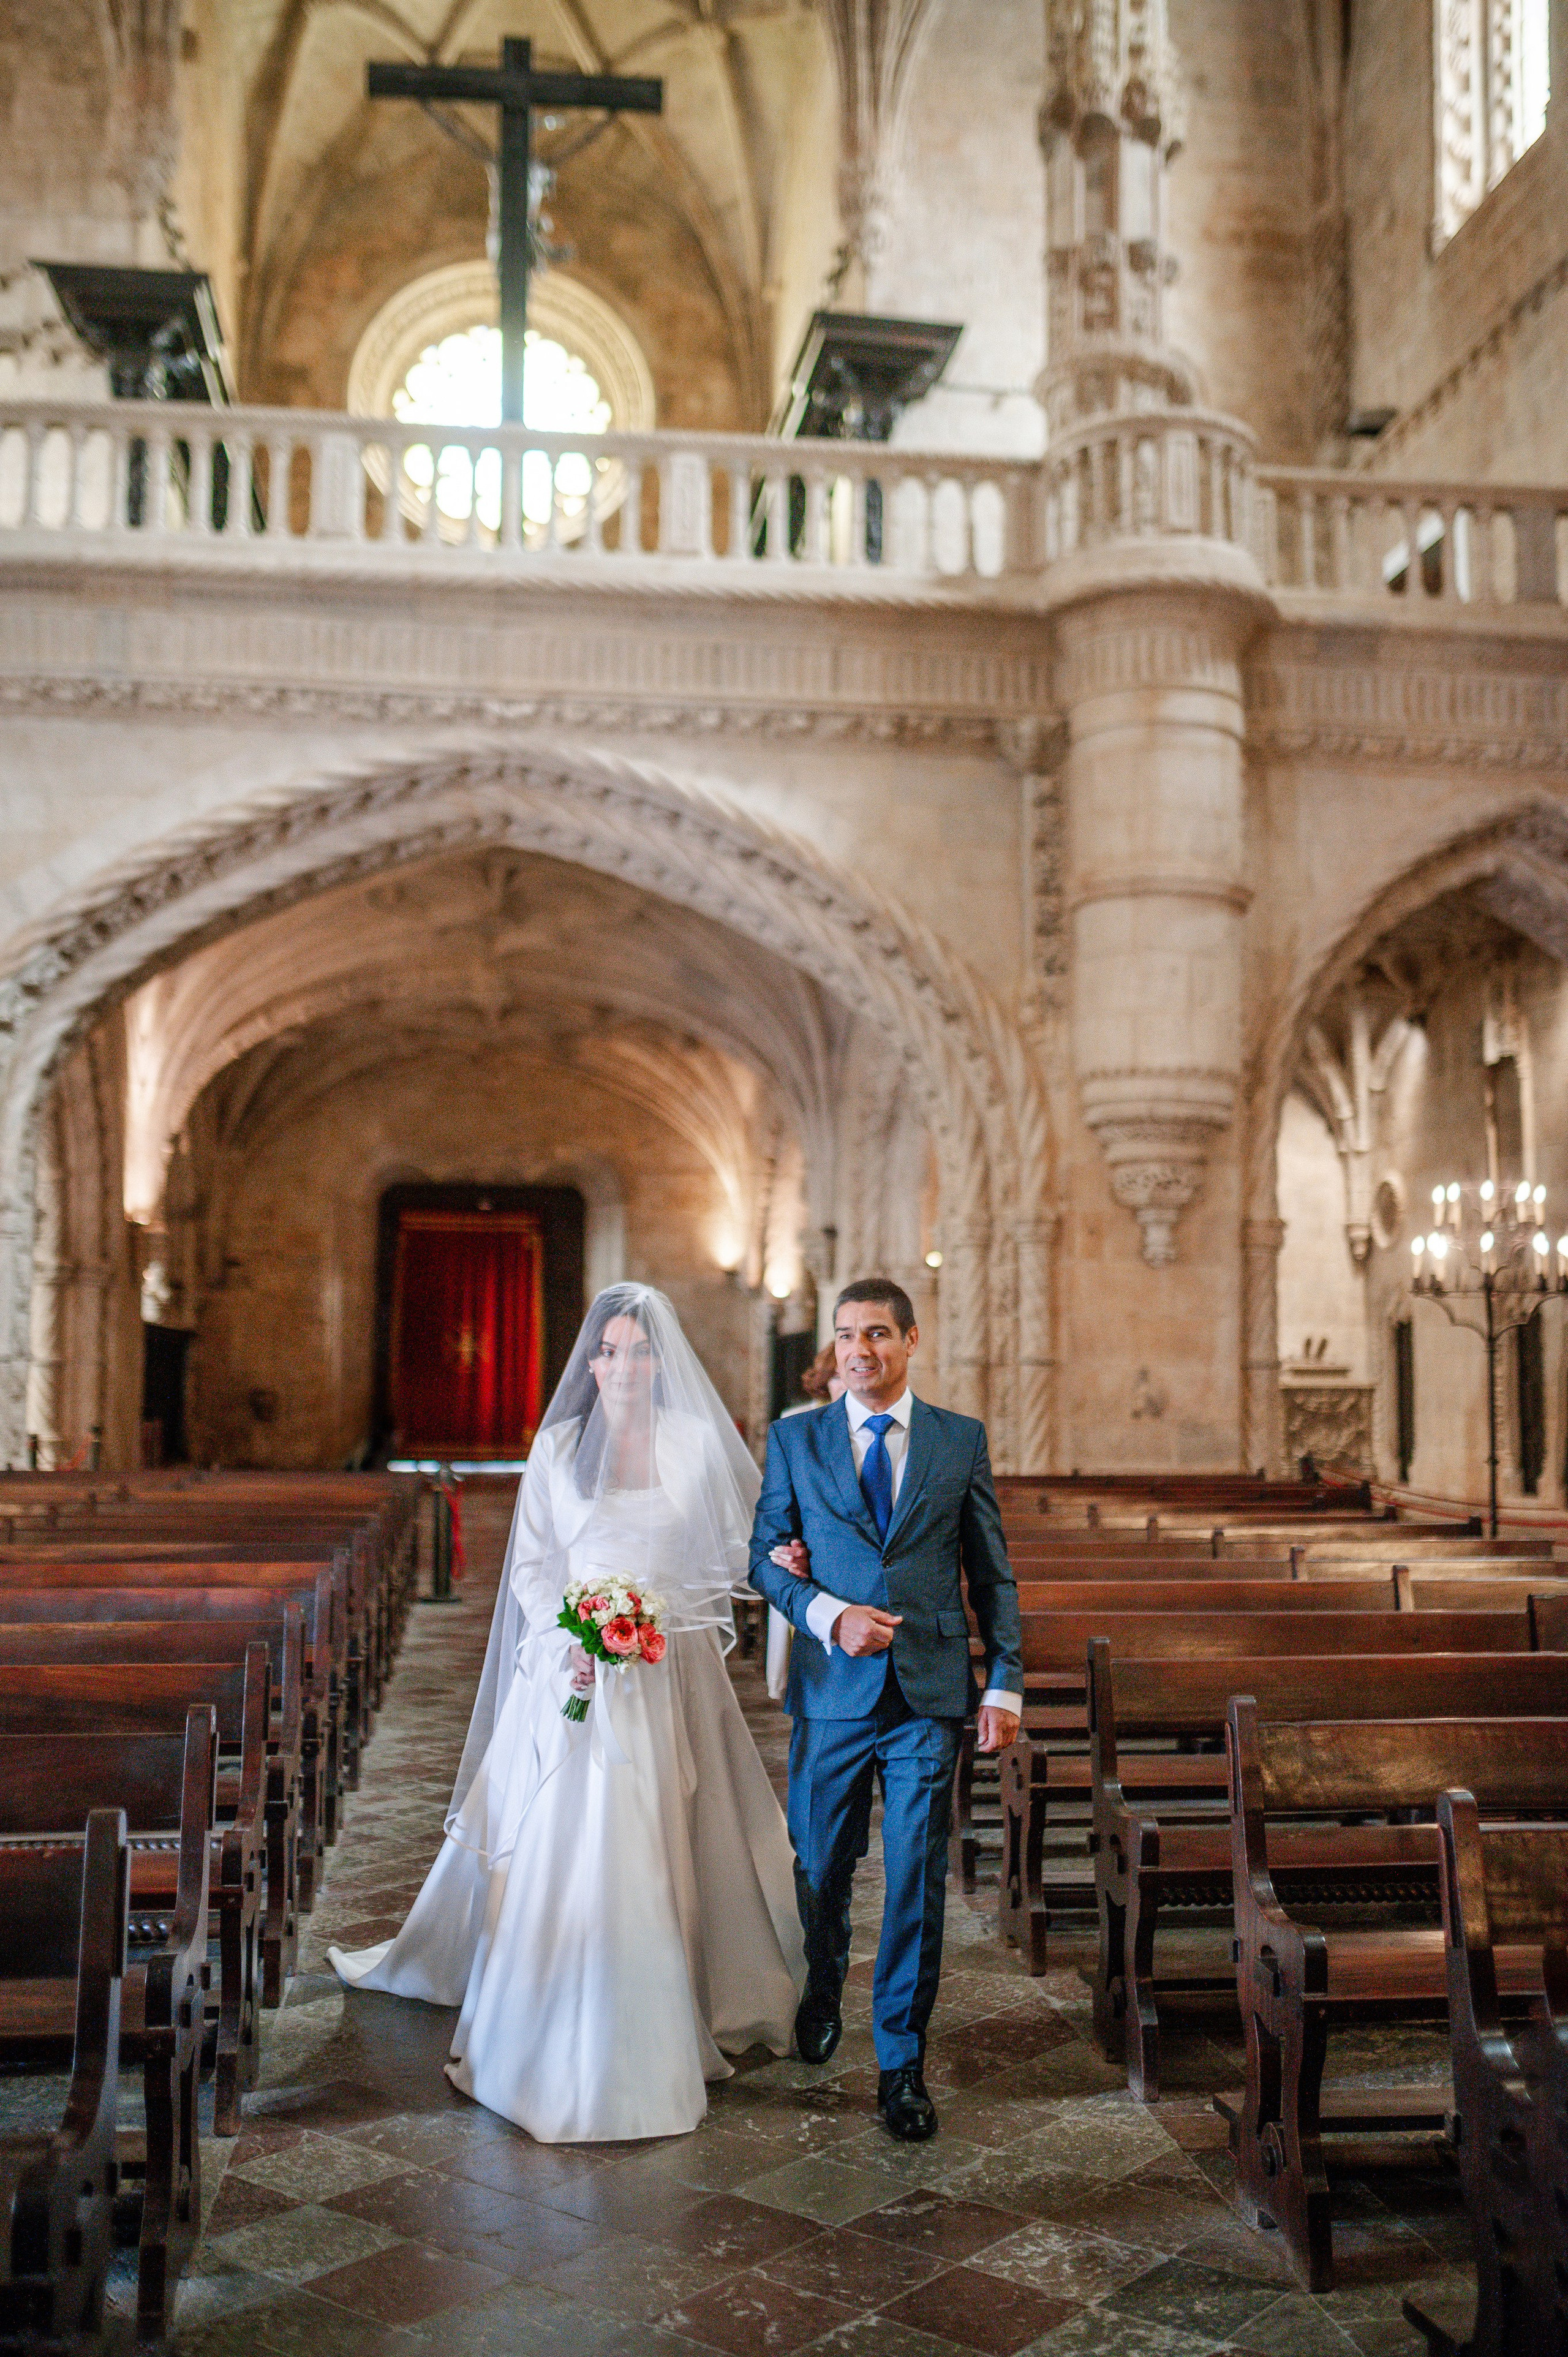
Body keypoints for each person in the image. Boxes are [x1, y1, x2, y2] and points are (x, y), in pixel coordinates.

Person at [330, 1284, 804, 2143]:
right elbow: (534, 1566)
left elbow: (731, 1551)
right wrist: (572, 1639)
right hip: (573, 1667)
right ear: (591, 1363)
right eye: (610, 1352)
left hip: (668, 1671)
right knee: (569, 1833)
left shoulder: (696, 1442)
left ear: (661, 1363)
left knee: (669, 1823)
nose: (624, 1367)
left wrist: (763, 1569)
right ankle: (547, 2006)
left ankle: (676, 2001)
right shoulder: (557, 1447)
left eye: (640, 1352)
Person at [748, 1277, 1023, 2143]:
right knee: (820, 1865)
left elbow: (991, 1572)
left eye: (875, 1333)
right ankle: (823, 1981)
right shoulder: (796, 1439)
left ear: (910, 1340)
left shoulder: (957, 1439)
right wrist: (829, 1614)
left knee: (914, 1877)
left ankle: (902, 2063)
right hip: (832, 1690)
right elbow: (764, 1558)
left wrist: (1004, 1680)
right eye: (845, 1335)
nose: (859, 1349)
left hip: (926, 1694)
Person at [767, 1343, 846, 1699]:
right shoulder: (797, 1423)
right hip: (804, 1542)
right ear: (825, 1381)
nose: (844, 1385)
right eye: (836, 1377)